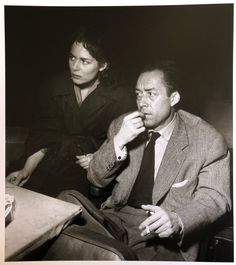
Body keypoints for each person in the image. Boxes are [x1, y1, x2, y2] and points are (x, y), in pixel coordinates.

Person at [56, 60, 231, 261]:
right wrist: (120, 141)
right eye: (138, 94)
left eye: (151, 93)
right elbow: (96, 180)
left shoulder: (206, 138)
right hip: (115, 221)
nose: (142, 102)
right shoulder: (122, 125)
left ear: (173, 98)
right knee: (66, 200)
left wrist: (178, 220)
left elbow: (216, 197)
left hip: (161, 232)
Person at [6, 26, 136, 198]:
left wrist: (98, 158)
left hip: (91, 170)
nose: (75, 67)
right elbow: (44, 135)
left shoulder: (121, 98)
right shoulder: (53, 87)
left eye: (85, 61)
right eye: (72, 58)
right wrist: (26, 170)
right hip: (52, 160)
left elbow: (124, 145)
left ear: (103, 65)